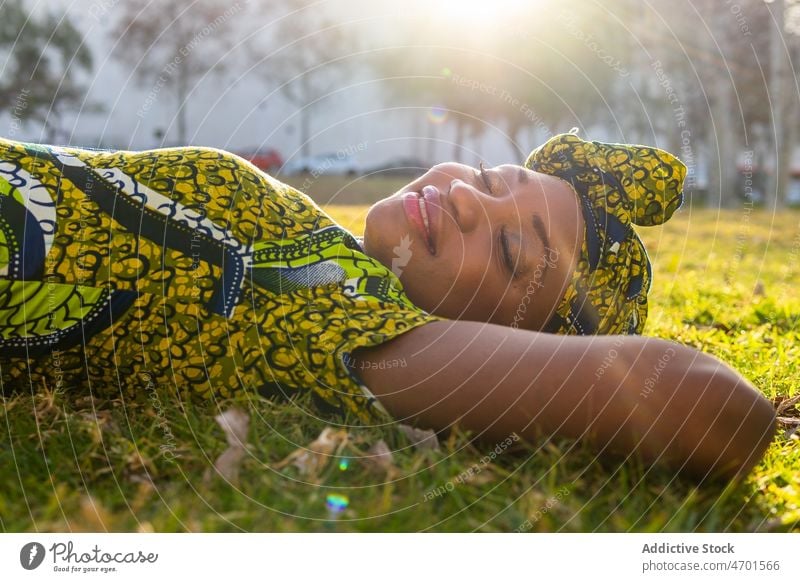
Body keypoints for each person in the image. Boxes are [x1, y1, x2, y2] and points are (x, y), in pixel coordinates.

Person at [0, 131, 776, 483]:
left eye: (511, 253)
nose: (467, 197)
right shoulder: (320, 248)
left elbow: (713, 411)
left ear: (500, 341)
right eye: (488, 175)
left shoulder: (339, 314)